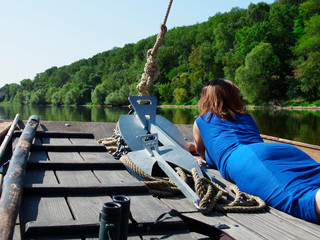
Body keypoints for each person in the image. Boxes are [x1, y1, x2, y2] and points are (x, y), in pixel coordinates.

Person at [190, 78, 320, 223]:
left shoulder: (201, 121)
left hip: (246, 159)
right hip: (283, 150)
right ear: (234, 97)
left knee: (301, 197)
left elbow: (201, 152)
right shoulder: (247, 117)